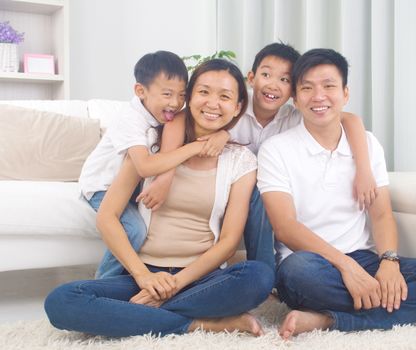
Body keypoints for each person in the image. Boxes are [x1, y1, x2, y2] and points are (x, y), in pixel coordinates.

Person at [45, 59, 273, 337]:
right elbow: (107, 217)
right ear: (189, 97)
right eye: (204, 92)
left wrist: (174, 286)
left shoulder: (241, 162)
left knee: (258, 277)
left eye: (224, 96)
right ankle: (197, 323)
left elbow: (227, 243)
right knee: (61, 301)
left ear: (237, 107)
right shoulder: (148, 144)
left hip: (198, 277)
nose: (213, 103)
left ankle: (140, 315)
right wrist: (143, 276)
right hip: (145, 274)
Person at [257, 48, 416, 339]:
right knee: (296, 272)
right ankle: (396, 306)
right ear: (296, 98)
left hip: (364, 258)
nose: (319, 96)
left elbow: (381, 214)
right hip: (311, 263)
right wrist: (346, 268)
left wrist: (389, 263)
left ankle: (328, 320)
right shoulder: (276, 149)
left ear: (345, 94)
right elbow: (285, 226)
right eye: (307, 88)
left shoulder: (367, 144)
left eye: (329, 86)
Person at [230, 43, 378, 272]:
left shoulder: (296, 116)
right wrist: (220, 135)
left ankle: (265, 273)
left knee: (262, 192)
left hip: (265, 191)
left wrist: (364, 169)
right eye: (266, 74)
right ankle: (265, 272)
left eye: (285, 80)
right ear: (251, 78)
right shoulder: (235, 106)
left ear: (293, 93)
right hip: (228, 184)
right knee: (257, 189)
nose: (273, 84)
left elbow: (349, 120)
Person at [79, 51, 226, 279]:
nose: (175, 103)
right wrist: (195, 147)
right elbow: (145, 167)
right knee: (134, 230)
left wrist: (222, 134)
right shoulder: (130, 119)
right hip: (102, 185)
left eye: (181, 95)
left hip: (133, 187)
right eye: (167, 94)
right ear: (140, 91)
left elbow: (205, 116)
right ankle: (104, 281)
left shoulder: (166, 115)